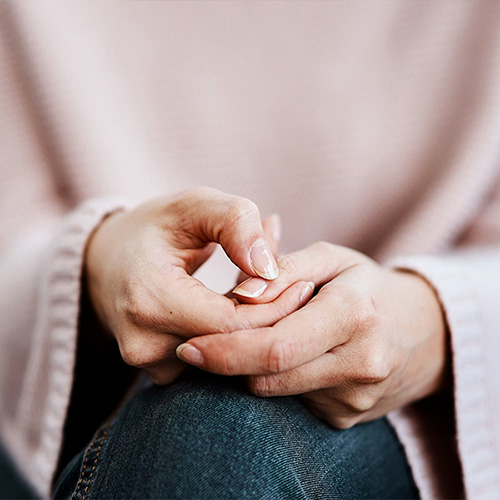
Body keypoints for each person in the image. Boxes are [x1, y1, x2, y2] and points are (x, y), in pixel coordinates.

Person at [1, 2, 499, 499]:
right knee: (210, 424)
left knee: (216, 427)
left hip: (430, 419)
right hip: (70, 402)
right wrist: (99, 258)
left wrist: (432, 321)